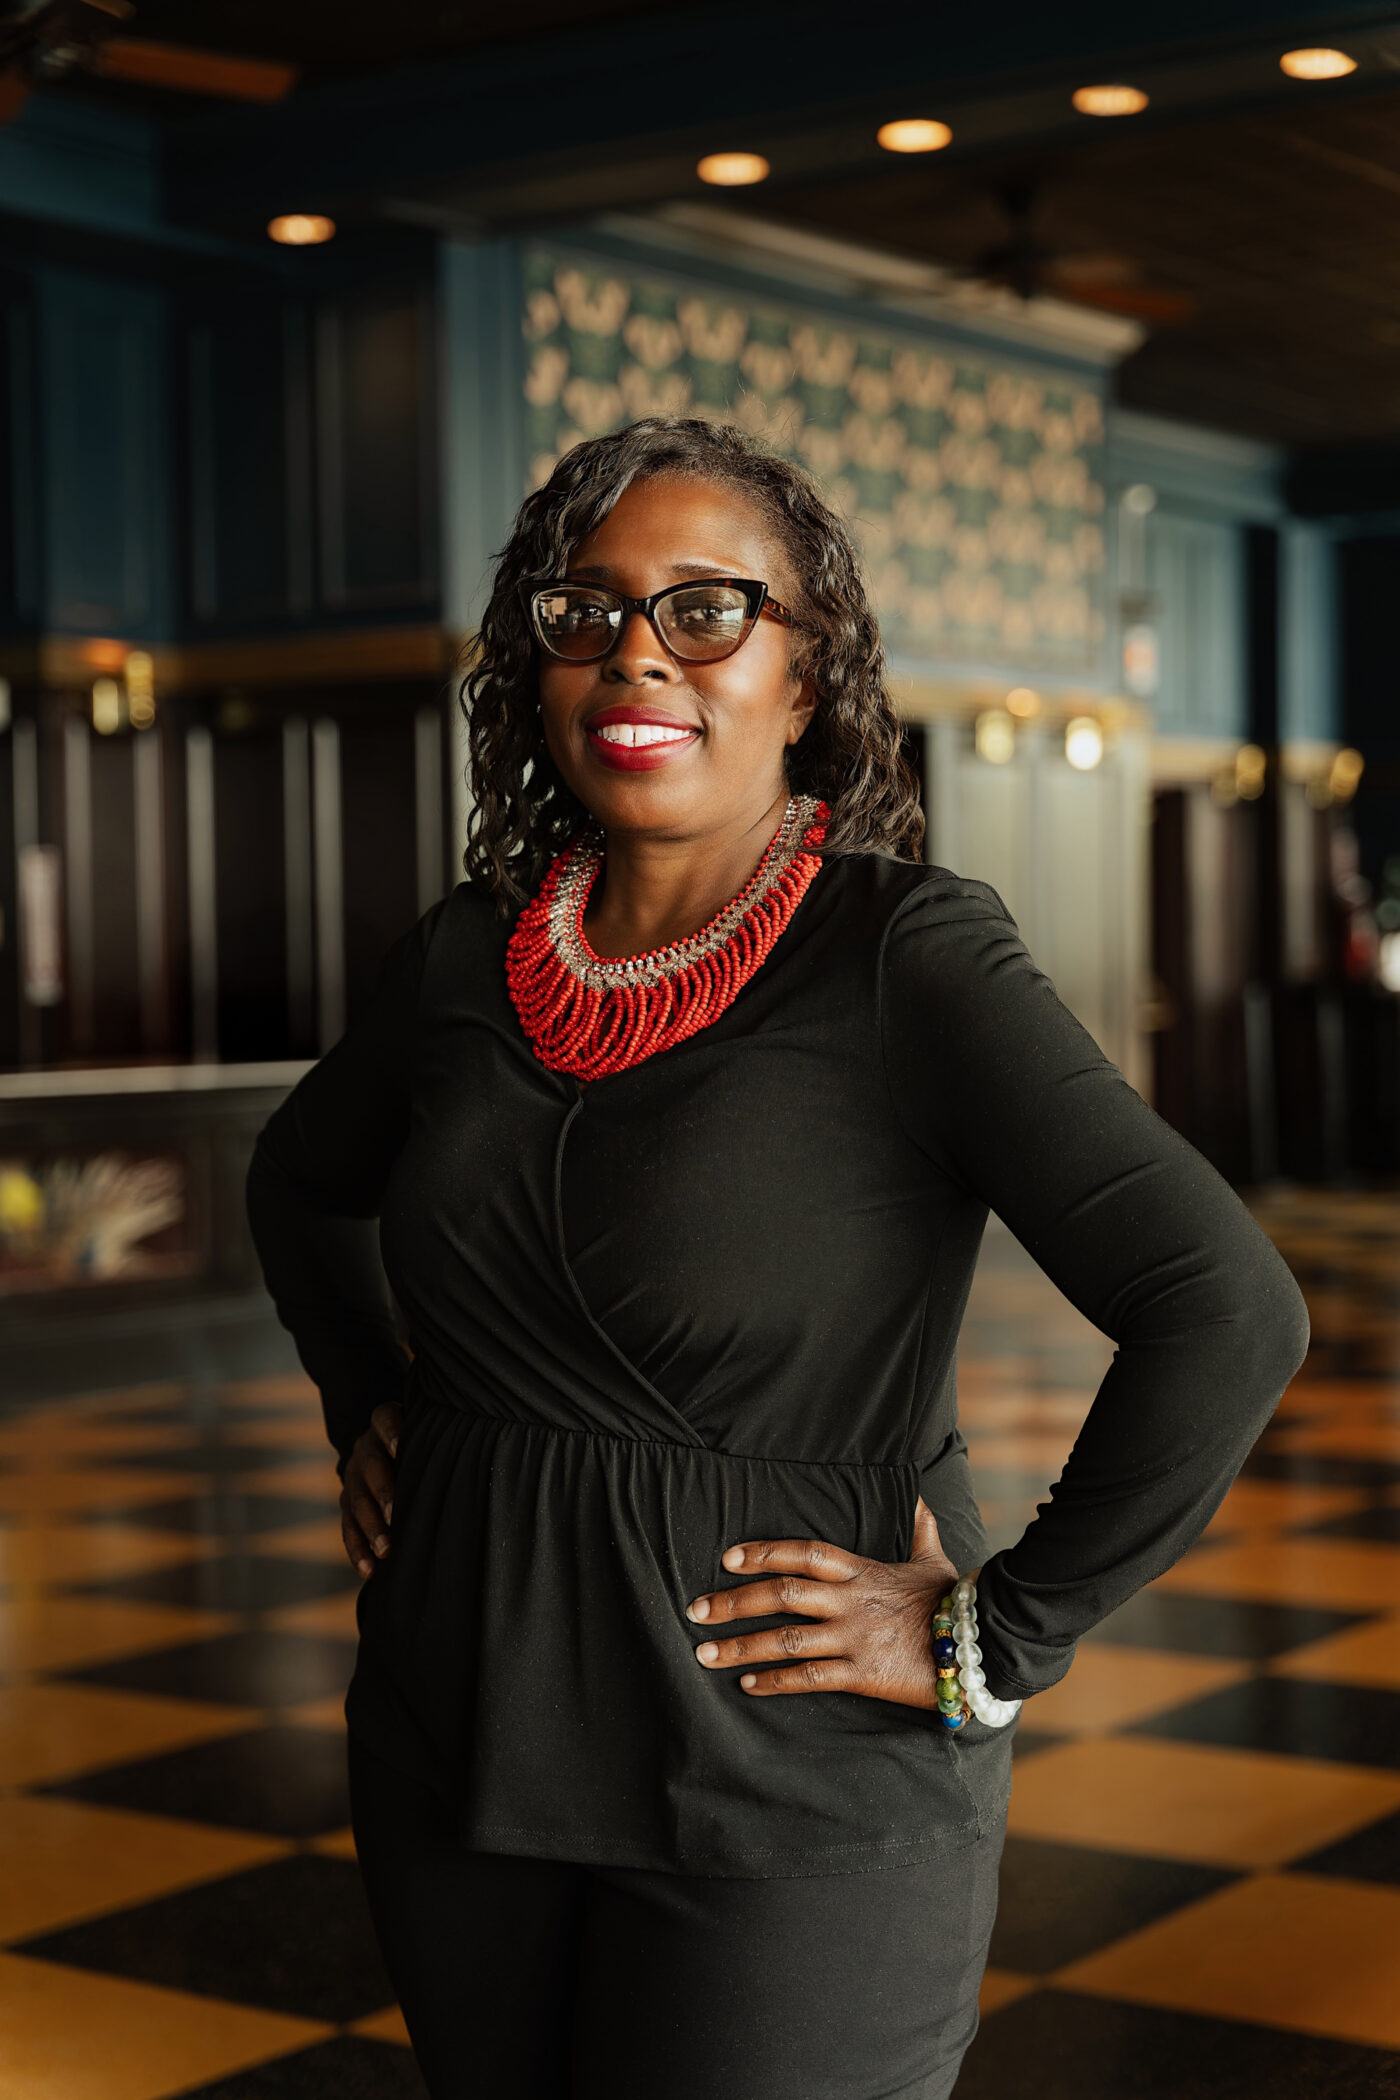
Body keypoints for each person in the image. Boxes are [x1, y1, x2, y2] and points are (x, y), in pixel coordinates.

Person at [247, 416, 1309, 2100]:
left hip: (791, 1765)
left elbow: (1226, 1308)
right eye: (580, 611)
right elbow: (301, 1184)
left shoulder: (909, 958)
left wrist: (996, 1637)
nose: (633, 656)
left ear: (808, 680)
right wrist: (366, 1399)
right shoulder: (464, 955)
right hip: (460, 1723)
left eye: (704, 611)